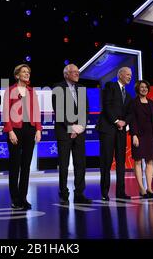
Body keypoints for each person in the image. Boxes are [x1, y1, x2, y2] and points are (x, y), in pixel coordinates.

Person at [3, 64, 42, 210]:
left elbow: (37, 112)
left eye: (28, 72)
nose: (27, 74)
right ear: (17, 75)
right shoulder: (10, 90)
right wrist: (10, 131)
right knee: (14, 165)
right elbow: (6, 112)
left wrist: (38, 129)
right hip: (15, 130)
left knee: (26, 166)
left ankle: (23, 198)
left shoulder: (32, 92)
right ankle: (15, 199)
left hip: (30, 129)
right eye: (24, 72)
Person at [52, 64, 92, 205]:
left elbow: (86, 110)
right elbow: (59, 111)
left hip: (79, 132)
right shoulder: (58, 88)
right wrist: (71, 128)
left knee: (80, 163)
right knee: (63, 164)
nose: (77, 73)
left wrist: (79, 128)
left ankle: (79, 193)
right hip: (64, 131)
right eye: (73, 72)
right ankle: (63, 193)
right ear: (66, 74)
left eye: (77, 71)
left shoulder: (81, 88)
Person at [95, 66, 133, 201]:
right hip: (108, 129)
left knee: (121, 162)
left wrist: (124, 122)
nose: (130, 77)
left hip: (121, 132)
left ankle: (120, 192)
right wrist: (116, 121)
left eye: (131, 75)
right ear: (120, 75)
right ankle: (105, 192)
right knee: (106, 161)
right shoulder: (110, 86)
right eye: (128, 74)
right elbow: (106, 105)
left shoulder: (128, 96)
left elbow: (130, 113)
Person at [129, 80, 153, 198]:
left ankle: (150, 188)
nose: (144, 89)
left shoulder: (152, 103)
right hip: (138, 136)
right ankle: (141, 189)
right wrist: (134, 135)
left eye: (146, 87)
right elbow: (132, 120)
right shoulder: (133, 103)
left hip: (151, 136)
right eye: (142, 87)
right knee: (138, 161)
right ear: (137, 89)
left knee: (150, 161)